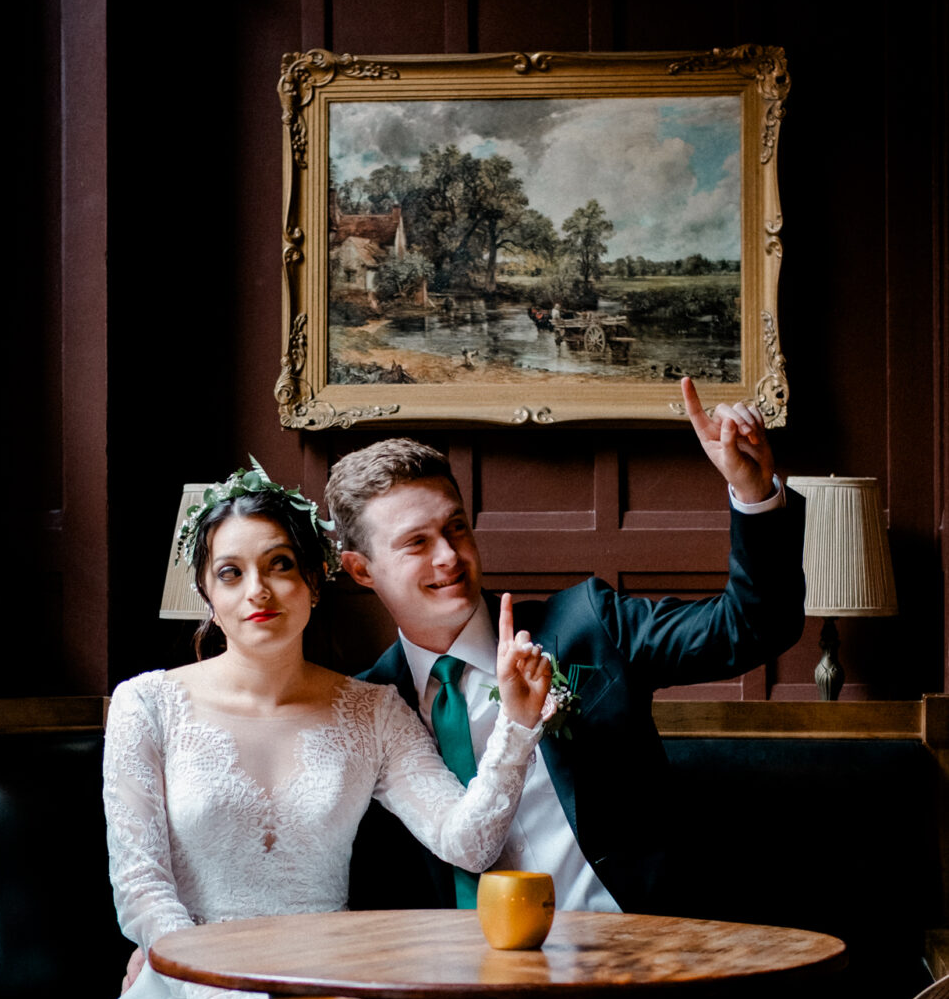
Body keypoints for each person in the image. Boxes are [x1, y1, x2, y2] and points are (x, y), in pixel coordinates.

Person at [72, 461, 553, 999]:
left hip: (327, 993)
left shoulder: (374, 710)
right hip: (187, 995)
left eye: (280, 565)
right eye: (231, 573)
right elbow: (141, 887)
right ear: (207, 593)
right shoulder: (145, 704)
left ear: (315, 582)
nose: (258, 591)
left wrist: (517, 725)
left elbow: (468, 843)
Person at [328, 378, 806, 917]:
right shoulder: (366, 705)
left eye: (456, 528)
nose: (449, 556)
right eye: (416, 542)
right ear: (361, 570)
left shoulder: (588, 625)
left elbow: (753, 626)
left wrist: (754, 491)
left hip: (633, 955)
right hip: (456, 981)